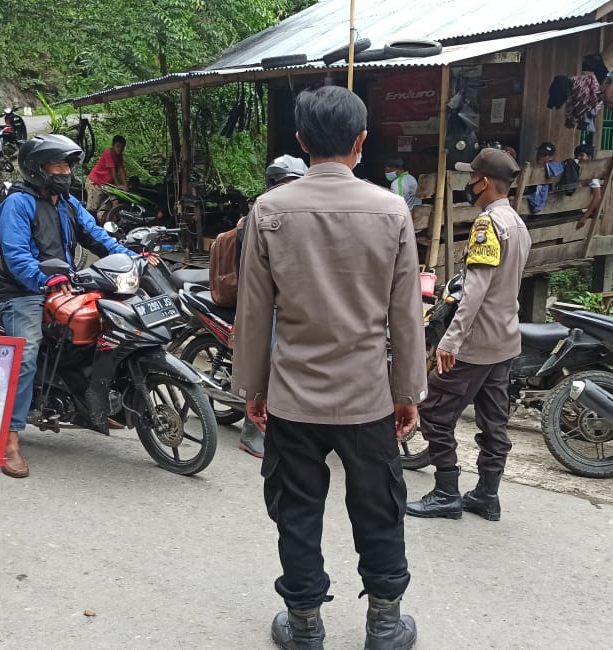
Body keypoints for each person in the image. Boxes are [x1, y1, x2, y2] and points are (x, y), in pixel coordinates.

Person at [233, 86, 426, 650]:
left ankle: (304, 627)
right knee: (379, 509)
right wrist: (407, 391)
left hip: (293, 398)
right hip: (367, 398)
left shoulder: (269, 211)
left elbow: (254, 312)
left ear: (301, 141)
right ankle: (384, 626)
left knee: (296, 511)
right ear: (361, 140)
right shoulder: (391, 210)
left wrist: (252, 387)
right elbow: (406, 314)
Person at [0, 134, 153, 478]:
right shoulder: (18, 203)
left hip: (65, 285)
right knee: (26, 354)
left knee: (105, 329)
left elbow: (97, 237)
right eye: (58, 165)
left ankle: (90, 401)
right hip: (23, 292)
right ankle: (10, 439)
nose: (66, 172)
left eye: (68, 165)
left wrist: (134, 258)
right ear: (38, 168)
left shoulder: (66, 202)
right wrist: (45, 278)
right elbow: (16, 255)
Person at [405, 147, 530, 524]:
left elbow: (474, 290)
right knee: (493, 419)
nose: (468, 184)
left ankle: (446, 492)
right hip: (505, 340)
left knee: (433, 410)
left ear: (485, 182)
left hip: (475, 342)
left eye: (472, 178)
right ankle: (487, 495)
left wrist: (451, 340)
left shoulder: (487, 225)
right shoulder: (517, 224)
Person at [208, 154, 308, 459]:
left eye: (295, 184)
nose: (290, 190)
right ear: (272, 184)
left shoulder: (301, 215)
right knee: (270, 362)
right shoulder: (258, 216)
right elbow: (251, 272)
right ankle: (252, 432)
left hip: (295, 300)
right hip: (267, 302)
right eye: (285, 184)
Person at [84, 134, 128, 212]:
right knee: (92, 208)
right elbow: (112, 170)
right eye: (118, 146)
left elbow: (121, 169)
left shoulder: (119, 156)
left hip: (106, 185)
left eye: (122, 147)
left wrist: (125, 185)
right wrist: (118, 185)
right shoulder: (108, 153)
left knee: (106, 208)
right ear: (113, 145)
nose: (120, 149)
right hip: (95, 183)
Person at [525, 142, 563, 215]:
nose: (540, 156)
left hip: (545, 207)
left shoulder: (552, 171)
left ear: (551, 157)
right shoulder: (532, 168)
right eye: (539, 153)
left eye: (544, 155)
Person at [573, 144, 604, 229]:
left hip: (582, 209)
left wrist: (585, 217)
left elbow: (597, 197)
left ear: (589, 157)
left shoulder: (591, 174)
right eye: (576, 155)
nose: (578, 157)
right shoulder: (574, 169)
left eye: (581, 155)